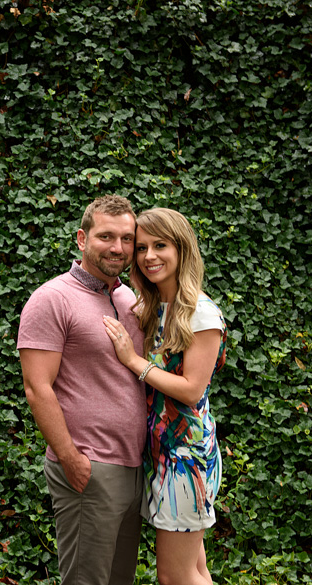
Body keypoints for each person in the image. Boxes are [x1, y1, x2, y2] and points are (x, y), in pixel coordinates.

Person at [17, 194, 148, 585]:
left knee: (120, 579)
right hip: (89, 467)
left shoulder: (128, 298)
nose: (118, 248)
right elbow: (37, 388)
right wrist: (70, 458)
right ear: (81, 238)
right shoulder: (52, 299)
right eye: (106, 236)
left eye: (127, 239)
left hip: (135, 468)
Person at [102, 207, 227, 585]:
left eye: (161, 245)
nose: (149, 255)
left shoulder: (200, 314)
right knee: (195, 570)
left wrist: (133, 361)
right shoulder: (157, 308)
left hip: (186, 460)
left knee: (176, 577)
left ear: (182, 249)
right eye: (141, 247)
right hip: (162, 454)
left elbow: (191, 390)